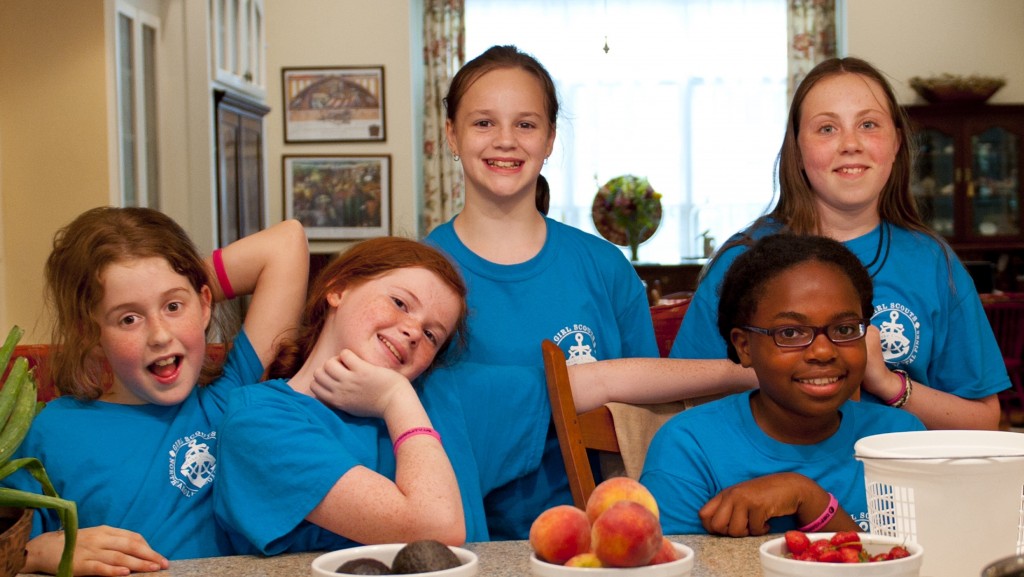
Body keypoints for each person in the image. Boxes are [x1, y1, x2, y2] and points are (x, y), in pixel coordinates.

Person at [669, 56, 1007, 430]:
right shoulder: (742, 260)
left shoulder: (933, 262)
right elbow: (686, 400)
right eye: (827, 128)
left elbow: (984, 422)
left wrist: (889, 384)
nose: (850, 144)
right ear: (797, 150)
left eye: (868, 124)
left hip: (901, 482)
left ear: (896, 142)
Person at [424, 44, 660, 540]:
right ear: (451, 134)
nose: (505, 141)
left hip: (599, 547)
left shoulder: (605, 268)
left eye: (526, 124)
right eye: (483, 123)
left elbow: (649, 423)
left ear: (551, 138)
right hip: (462, 544)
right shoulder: (416, 275)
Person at [4, 207, 309, 576]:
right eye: (128, 318)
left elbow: (287, 243)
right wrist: (34, 553)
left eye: (173, 306)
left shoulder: (231, 395)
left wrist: (173, 276)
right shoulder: (49, 432)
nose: (161, 335)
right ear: (89, 334)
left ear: (206, 304)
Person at [213, 237, 489, 554]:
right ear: (338, 289)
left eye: (431, 335)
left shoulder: (430, 401)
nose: (414, 332)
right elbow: (436, 528)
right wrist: (396, 397)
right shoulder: (258, 422)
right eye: (400, 303)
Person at [642, 233, 926, 536]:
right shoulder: (690, 448)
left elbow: (925, 564)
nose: (823, 352)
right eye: (790, 333)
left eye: (844, 329)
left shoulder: (900, 440)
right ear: (744, 346)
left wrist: (811, 501)